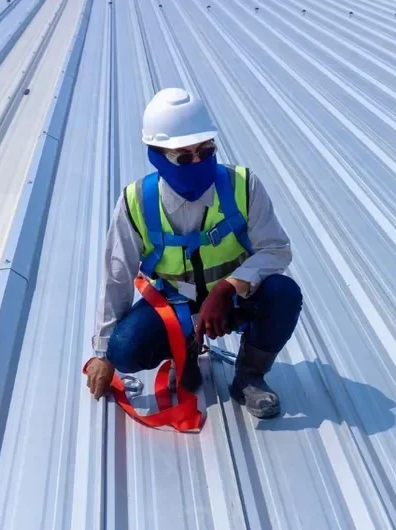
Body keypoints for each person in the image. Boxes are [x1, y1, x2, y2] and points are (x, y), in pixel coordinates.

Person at [84, 87, 301, 419]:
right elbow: (117, 276)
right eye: (184, 156)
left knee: (284, 293)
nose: (198, 162)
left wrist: (229, 286)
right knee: (124, 350)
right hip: (177, 305)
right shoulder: (136, 202)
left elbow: (276, 249)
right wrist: (103, 353)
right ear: (157, 155)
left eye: (206, 150)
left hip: (234, 301)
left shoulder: (243, 185)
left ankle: (249, 377)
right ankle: (183, 349)